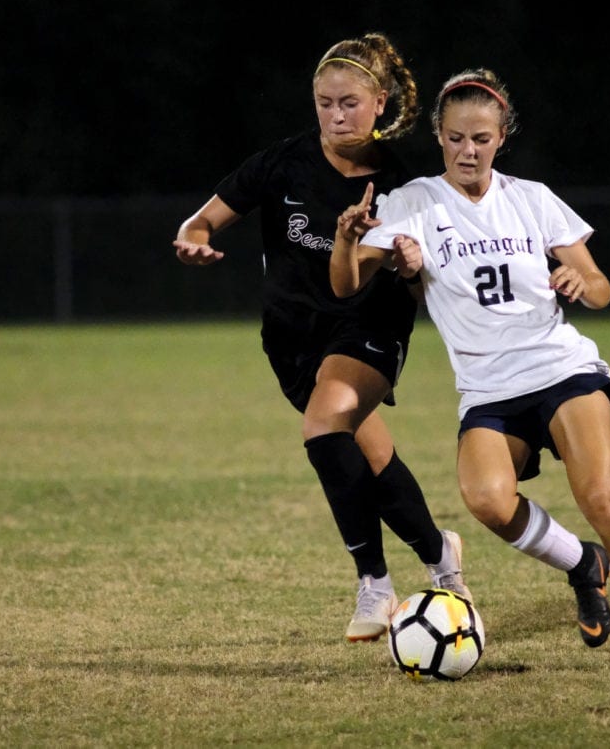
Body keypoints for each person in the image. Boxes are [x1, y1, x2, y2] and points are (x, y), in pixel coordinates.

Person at [330, 68, 610, 673]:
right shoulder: (414, 203)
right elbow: (344, 285)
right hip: (487, 389)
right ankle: (583, 564)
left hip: (561, 369)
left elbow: (601, 286)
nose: (466, 151)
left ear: (501, 137)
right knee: (487, 501)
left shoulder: (532, 198)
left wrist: (585, 281)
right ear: (439, 137)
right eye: (454, 139)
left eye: (480, 139)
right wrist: (348, 241)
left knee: (602, 498)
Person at [172, 34, 471, 644]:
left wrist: (409, 264)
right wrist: (192, 239)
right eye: (325, 103)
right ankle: (442, 555)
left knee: (325, 425)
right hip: (291, 339)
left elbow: (429, 277)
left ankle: (375, 584)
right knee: (372, 460)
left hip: (368, 327)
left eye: (350, 103)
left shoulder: (403, 180)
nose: (336, 116)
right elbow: (203, 217)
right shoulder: (282, 163)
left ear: (380, 102)